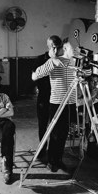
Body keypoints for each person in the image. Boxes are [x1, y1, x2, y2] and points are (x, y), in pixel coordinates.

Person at [32, 37, 77, 172]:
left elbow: (86, 74)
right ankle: (52, 161)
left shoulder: (75, 62)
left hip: (70, 102)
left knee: (64, 133)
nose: (73, 50)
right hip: (57, 102)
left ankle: (59, 159)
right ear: (63, 48)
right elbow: (35, 76)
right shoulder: (53, 62)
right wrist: (52, 61)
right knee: (56, 134)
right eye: (70, 48)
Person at [34, 35, 63, 162]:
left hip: (57, 98)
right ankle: (42, 148)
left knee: (56, 128)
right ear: (49, 47)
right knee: (43, 125)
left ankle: (53, 154)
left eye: (58, 47)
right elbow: (35, 76)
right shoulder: (41, 59)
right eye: (53, 47)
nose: (56, 50)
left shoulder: (62, 60)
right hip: (44, 97)